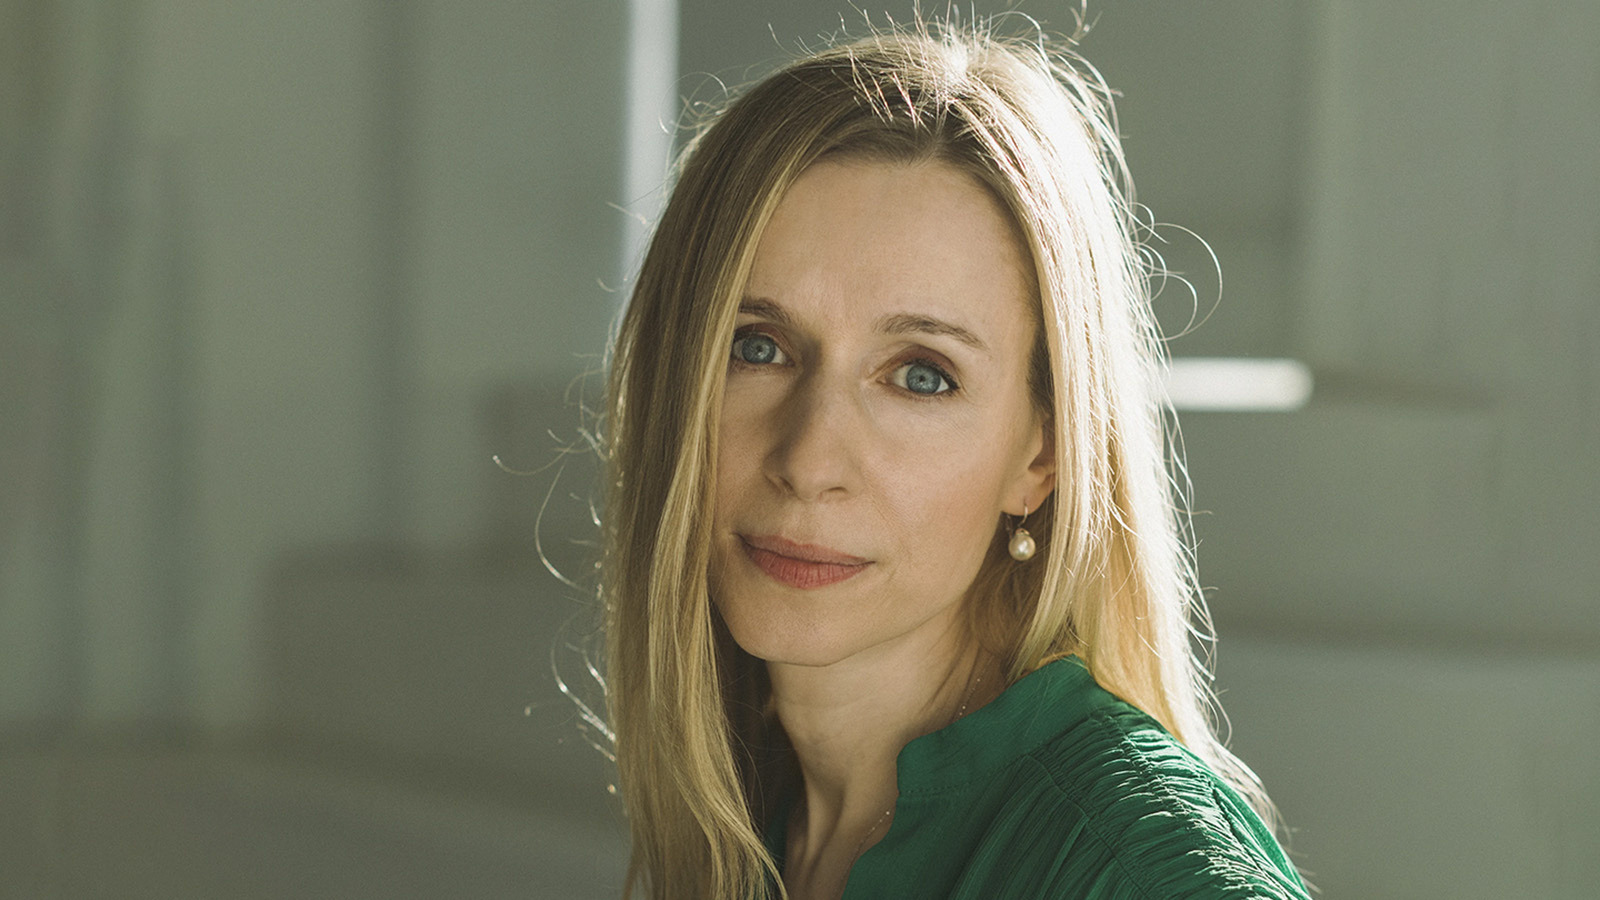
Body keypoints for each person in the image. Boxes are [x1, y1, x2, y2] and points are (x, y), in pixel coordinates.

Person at [595, 15, 1310, 900]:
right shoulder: (757, 819)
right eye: (758, 347)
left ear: (1042, 456)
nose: (809, 461)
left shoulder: (1136, 867)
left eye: (921, 377)